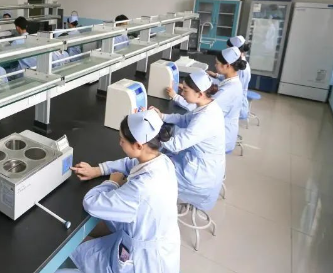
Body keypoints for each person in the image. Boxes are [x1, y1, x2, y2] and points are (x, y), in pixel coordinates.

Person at [65, 111, 180, 273]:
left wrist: (112, 182)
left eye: (122, 140)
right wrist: (98, 170)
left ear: (139, 145)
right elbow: (129, 163)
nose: (119, 143)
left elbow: (91, 203)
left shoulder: (142, 188)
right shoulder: (162, 160)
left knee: (75, 254)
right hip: (158, 243)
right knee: (89, 246)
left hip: (143, 262)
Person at [151, 71, 226, 211]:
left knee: (153, 171)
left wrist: (151, 133)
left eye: (185, 90)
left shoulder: (205, 118)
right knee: (161, 159)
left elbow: (176, 144)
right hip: (202, 165)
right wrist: (162, 116)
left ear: (200, 94)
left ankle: (155, 210)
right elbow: (184, 119)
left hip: (199, 177)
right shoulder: (207, 106)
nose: (182, 93)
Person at [167, 47, 245, 153]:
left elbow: (197, 106)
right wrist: (188, 88)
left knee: (176, 134)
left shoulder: (226, 92)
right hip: (220, 130)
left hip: (222, 137)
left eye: (217, 63)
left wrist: (175, 96)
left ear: (227, 65)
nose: (215, 65)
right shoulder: (233, 81)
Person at [208, 35, 251, 120]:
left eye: (228, 49)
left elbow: (206, 107)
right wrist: (216, 75)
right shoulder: (237, 64)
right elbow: (229, 79)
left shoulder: (242, 71)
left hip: (238, 107)